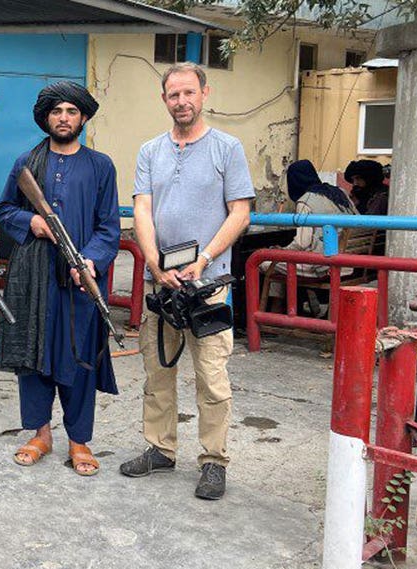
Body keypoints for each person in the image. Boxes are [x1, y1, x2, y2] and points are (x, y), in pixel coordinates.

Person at [121, 63, 254, 500]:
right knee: (157, 371)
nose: (182, 101)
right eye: (173, 95)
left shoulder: (227, 148)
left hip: (208, 284)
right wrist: (154, 261)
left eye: (188, 93)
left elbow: (240, 212)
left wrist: (206, 258)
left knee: (211, 377)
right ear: (165, 100)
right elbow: (142, 208)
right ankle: (160, 448)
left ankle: (214, 461)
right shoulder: (150, 151)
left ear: (204, 93)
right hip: (161, 283)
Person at [0, 81, 121, 476]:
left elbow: (108, 227)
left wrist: (90, 262)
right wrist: (30, 220)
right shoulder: (27, 163)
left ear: (82, 117)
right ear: (46, 118)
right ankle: (41, 434)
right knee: (33, 360)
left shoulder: (101, 166)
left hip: (78, 280)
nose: (63, 118)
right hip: (33, 279)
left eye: (71, 112)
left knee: (78, 357)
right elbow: (3, 210)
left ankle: (79, 441)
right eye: (56, 112)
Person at [260, 160, 357, 312]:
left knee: (267, 263)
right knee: (283, 260)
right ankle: (311, 307)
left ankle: (275, 312)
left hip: (324, 266)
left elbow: (301, 243)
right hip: (350, 263)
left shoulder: (305, 201)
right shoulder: (339, 193)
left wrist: (282, 250)